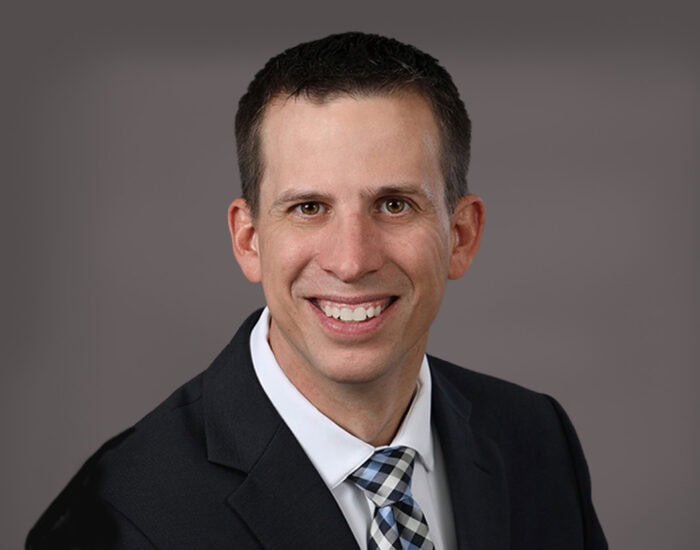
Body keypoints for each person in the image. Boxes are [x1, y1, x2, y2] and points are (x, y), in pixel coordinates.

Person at [26, 32, 607, 549]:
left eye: (394, 205)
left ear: (460, 235)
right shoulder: (117, 520)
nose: (351, 261)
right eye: (308, 208)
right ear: (250, 240)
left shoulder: (536, 440)